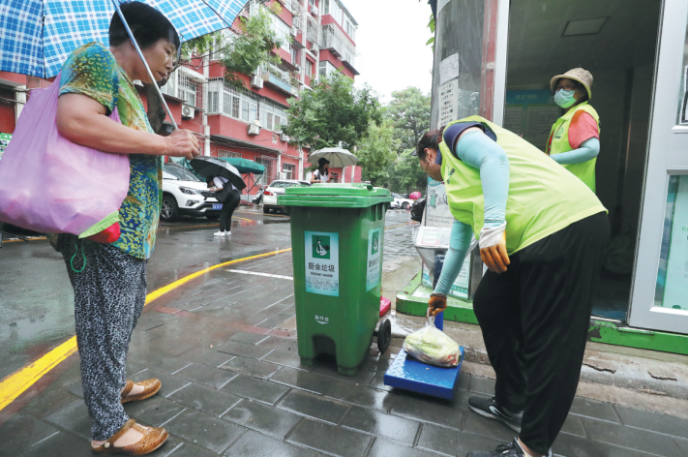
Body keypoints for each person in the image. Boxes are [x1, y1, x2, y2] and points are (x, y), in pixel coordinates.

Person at [54, 3, 200, 456]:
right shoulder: (96, 59)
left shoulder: (132, 90)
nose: (172, 60)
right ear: (137, 38)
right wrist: (163, 142)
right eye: (168, 49)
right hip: (102, 228)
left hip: (129, 233)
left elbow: (124, 146)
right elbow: (74, 120)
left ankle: (113, 386)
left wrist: (161, 141)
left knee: (121, 316)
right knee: (102, 324)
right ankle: (108, 427)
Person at [415, 116, 609, 457]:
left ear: (429, 154)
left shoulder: (455, 134)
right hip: (528, 240)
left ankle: (532, 447)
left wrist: (492, 224)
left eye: (422, 165)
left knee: (551, 341)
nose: (425, 173)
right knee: (490, 303)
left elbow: (494, 158)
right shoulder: (454, 184)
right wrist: (440, 291)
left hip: (566, 223)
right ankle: (512, 402)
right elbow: (459, 245)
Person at [546, 68, 600, 192]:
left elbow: (592, 150)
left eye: (568, 87)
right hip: (566, 189)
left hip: (573, 191)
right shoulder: (569, 117)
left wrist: (550, 159)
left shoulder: (581, 114)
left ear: (581, 92)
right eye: (559, 88)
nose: (561, 91)